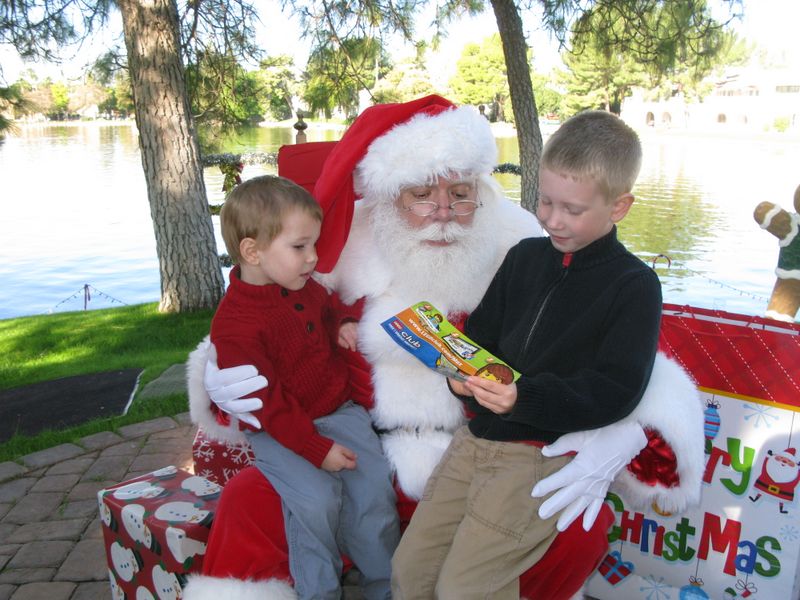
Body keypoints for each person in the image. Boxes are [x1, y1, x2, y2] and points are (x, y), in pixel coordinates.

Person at [184, 95, 703, 600]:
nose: (443, 212)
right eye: (420, 196)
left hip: (486, 448)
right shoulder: (336, 248)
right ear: (389, 195)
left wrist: (623, 433)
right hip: (366, 449)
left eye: (459, 192)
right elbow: (260, 313)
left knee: (578, 528)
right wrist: (218, 370)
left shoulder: (520, 241)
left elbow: (630, 362)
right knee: (249, 501)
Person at [390, 110, 661, 598]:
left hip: (537, 457)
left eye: (572, 210)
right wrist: (459, 374)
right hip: (473, 441)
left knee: (465, 589)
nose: (552, 219)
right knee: (411, 571)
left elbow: (616, 388)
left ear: (619, 207)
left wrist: (524, 398)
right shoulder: (524, 258)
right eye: (544, 200)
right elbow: (485, 339)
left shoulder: (634, 285)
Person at [208, 174, 399, 600]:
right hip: (279, 430)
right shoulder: (235, 325)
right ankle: (320, 591)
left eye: (313, 244)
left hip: (339, 410)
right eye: (300, 247)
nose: (313, 258)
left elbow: (325, 307)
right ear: (252, 251)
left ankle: (384, 586)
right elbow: (266, 403)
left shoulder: (301, 286)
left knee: (373, 493)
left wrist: (342, 323)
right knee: (314, 503)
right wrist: (316, 449)